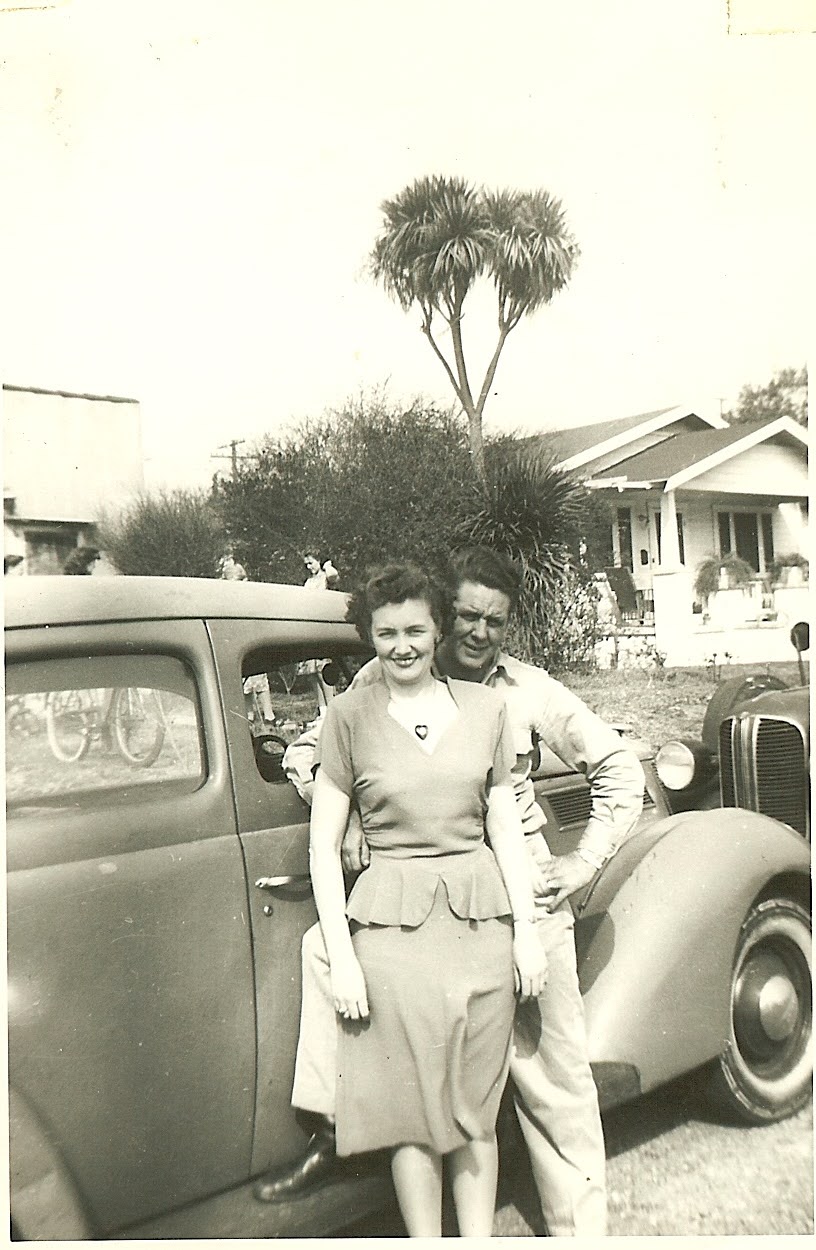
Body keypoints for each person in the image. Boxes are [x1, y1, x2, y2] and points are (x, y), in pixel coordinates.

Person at [257, 547, 645, 1236]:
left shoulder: (526, 692)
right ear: (444, 616)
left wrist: (582, 863)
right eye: (467, 615)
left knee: (552, 1074)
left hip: (519, 888)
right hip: (417, 896)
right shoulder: (382, 678)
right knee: (326, 951)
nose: (478, 632)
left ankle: (579, 1233)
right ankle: (334, 1122)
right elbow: (308, 753)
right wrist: (346, 817)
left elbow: (618, 770)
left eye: (494, 620)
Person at [286, 562, 546, 1238]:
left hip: (481, 928)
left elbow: (505, 829)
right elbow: (323, 849)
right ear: (370, 638)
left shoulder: (488, 710)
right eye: (386, 634)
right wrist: (343, 960)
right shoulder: (347, 718)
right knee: (409, 1117)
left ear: (438, 632)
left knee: (475, 1110)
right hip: (391, 939)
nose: (402, 647)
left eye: (415, 631)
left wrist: (526, 933)